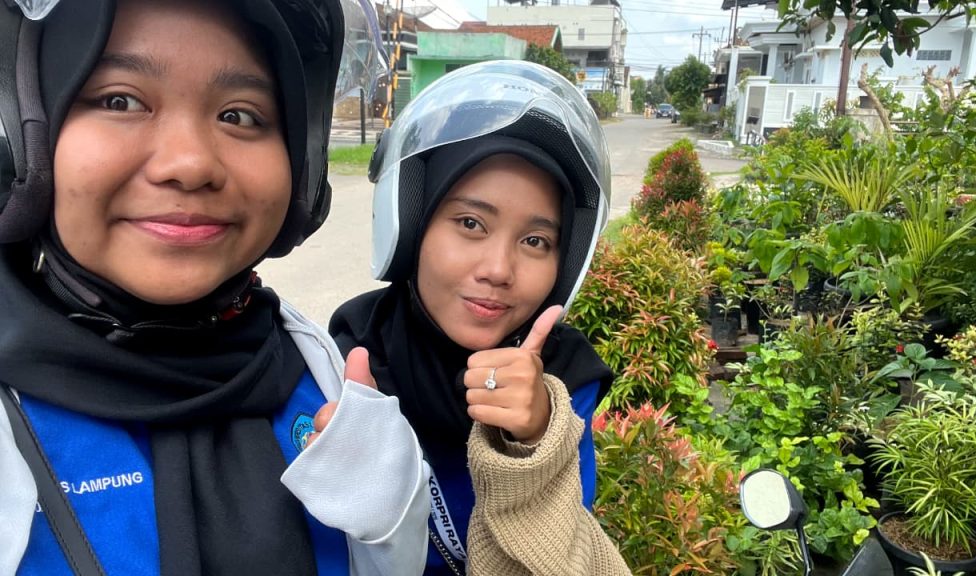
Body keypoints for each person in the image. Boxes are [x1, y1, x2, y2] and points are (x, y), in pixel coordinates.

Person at [0, 0, 430, 574]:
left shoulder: (314, 367)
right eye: (120, 101)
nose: (191, 164)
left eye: (239, 115)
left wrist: (390, 513)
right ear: (28, 138)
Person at [326, 60, 632, 574]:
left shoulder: (562, 379)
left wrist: (537, 438)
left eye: (535, 241)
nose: (498, 270)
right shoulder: (348, 356)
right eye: (471, 223)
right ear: (412, 223)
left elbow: (562, 544)